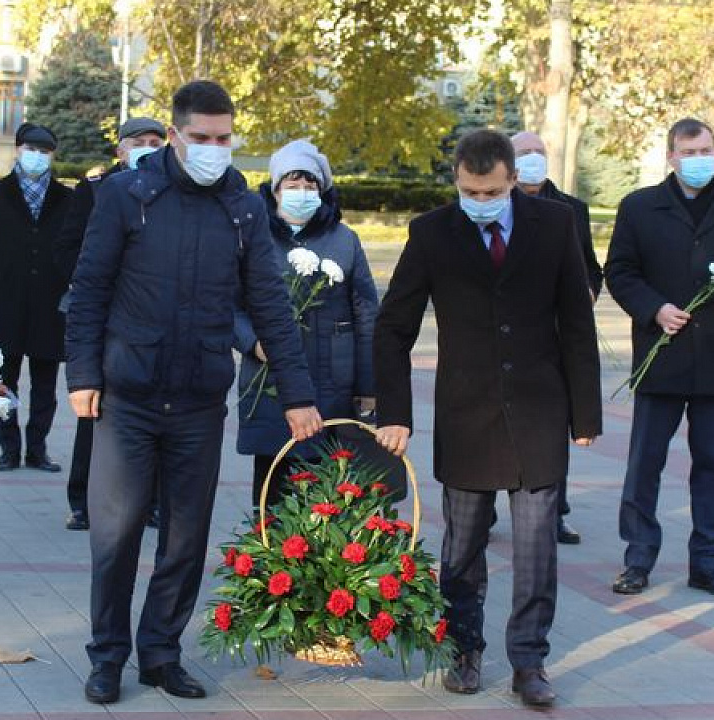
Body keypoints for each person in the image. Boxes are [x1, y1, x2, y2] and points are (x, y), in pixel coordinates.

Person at [65, 80, 323, 705]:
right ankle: (107, 657)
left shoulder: (241, 205)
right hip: (128, 395)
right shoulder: (129, 195)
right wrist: (83, 376)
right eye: (201, 138)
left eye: (224, 138)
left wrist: (298, 392)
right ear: (176, 136)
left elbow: (267, 300)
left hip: (200, 399)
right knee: (118, 533)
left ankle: (160, 653)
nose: (214, 149)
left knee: (185, 538)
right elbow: (90, 288)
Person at [374, 130, 601, 707]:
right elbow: (393, 327)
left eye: (493, 191)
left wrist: (585, 412)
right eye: (472, 192)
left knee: (536, 548)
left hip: (538, 412)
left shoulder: (555, 224)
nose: (483, 200)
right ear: (457, 181)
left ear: (511, 180)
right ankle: (463, 648)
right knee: (463, 547)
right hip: (467, 413)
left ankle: (529, 660)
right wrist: (395, 412)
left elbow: (577, 321)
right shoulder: (431, 233)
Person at [605, 118, 714, 599]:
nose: (698, 158)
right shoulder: (640, 207)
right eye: (689, 151)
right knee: (645, 463)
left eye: (705, 149)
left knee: (712, 465)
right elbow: (619, 272)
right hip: (660, 359)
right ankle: (637, 558)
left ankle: (706, 563)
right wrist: (653, 308)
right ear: (671, 156)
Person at [234, 139, 378, 508]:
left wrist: (369, 384)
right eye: (292, 185)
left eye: (310, 185)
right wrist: (254, 343)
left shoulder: (344, 240)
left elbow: (365, 314)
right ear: (275, 190)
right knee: (274, 487)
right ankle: (269, 559)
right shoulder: (253, 236)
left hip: (331, 377)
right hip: (271, 377)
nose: (301, 193)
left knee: (326, 490)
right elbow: (228, 307)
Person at [53, 116, 167, 532]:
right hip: (104, 315)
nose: (149, 148)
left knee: (156, 412)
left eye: (156, 141)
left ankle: (150, 500)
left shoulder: (171, 191)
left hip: (153, 319)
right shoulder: (96, 189)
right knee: (95, 409)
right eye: (140, 141)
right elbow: (67, 249)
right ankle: (82, 500)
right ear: (120, 150)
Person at [510, 130, 604, 545]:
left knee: (552, 426)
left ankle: (554, 511)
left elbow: (591, 266)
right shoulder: (500, 205)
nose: (533, 159)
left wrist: (587, 291)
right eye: (524, 153)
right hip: (514, 334)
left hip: (558, 337)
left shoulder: (572, 210)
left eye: (539, 152)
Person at [0, 122, 73, 474]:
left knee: (46, 385)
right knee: (3, 382)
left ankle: (38, 449)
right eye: (31, 149)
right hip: (6, 303)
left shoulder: (66, 198)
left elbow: (74, 250)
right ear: (18, 150)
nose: (37, 156)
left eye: (44, 151)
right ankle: (9, 449)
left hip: (50, 306)